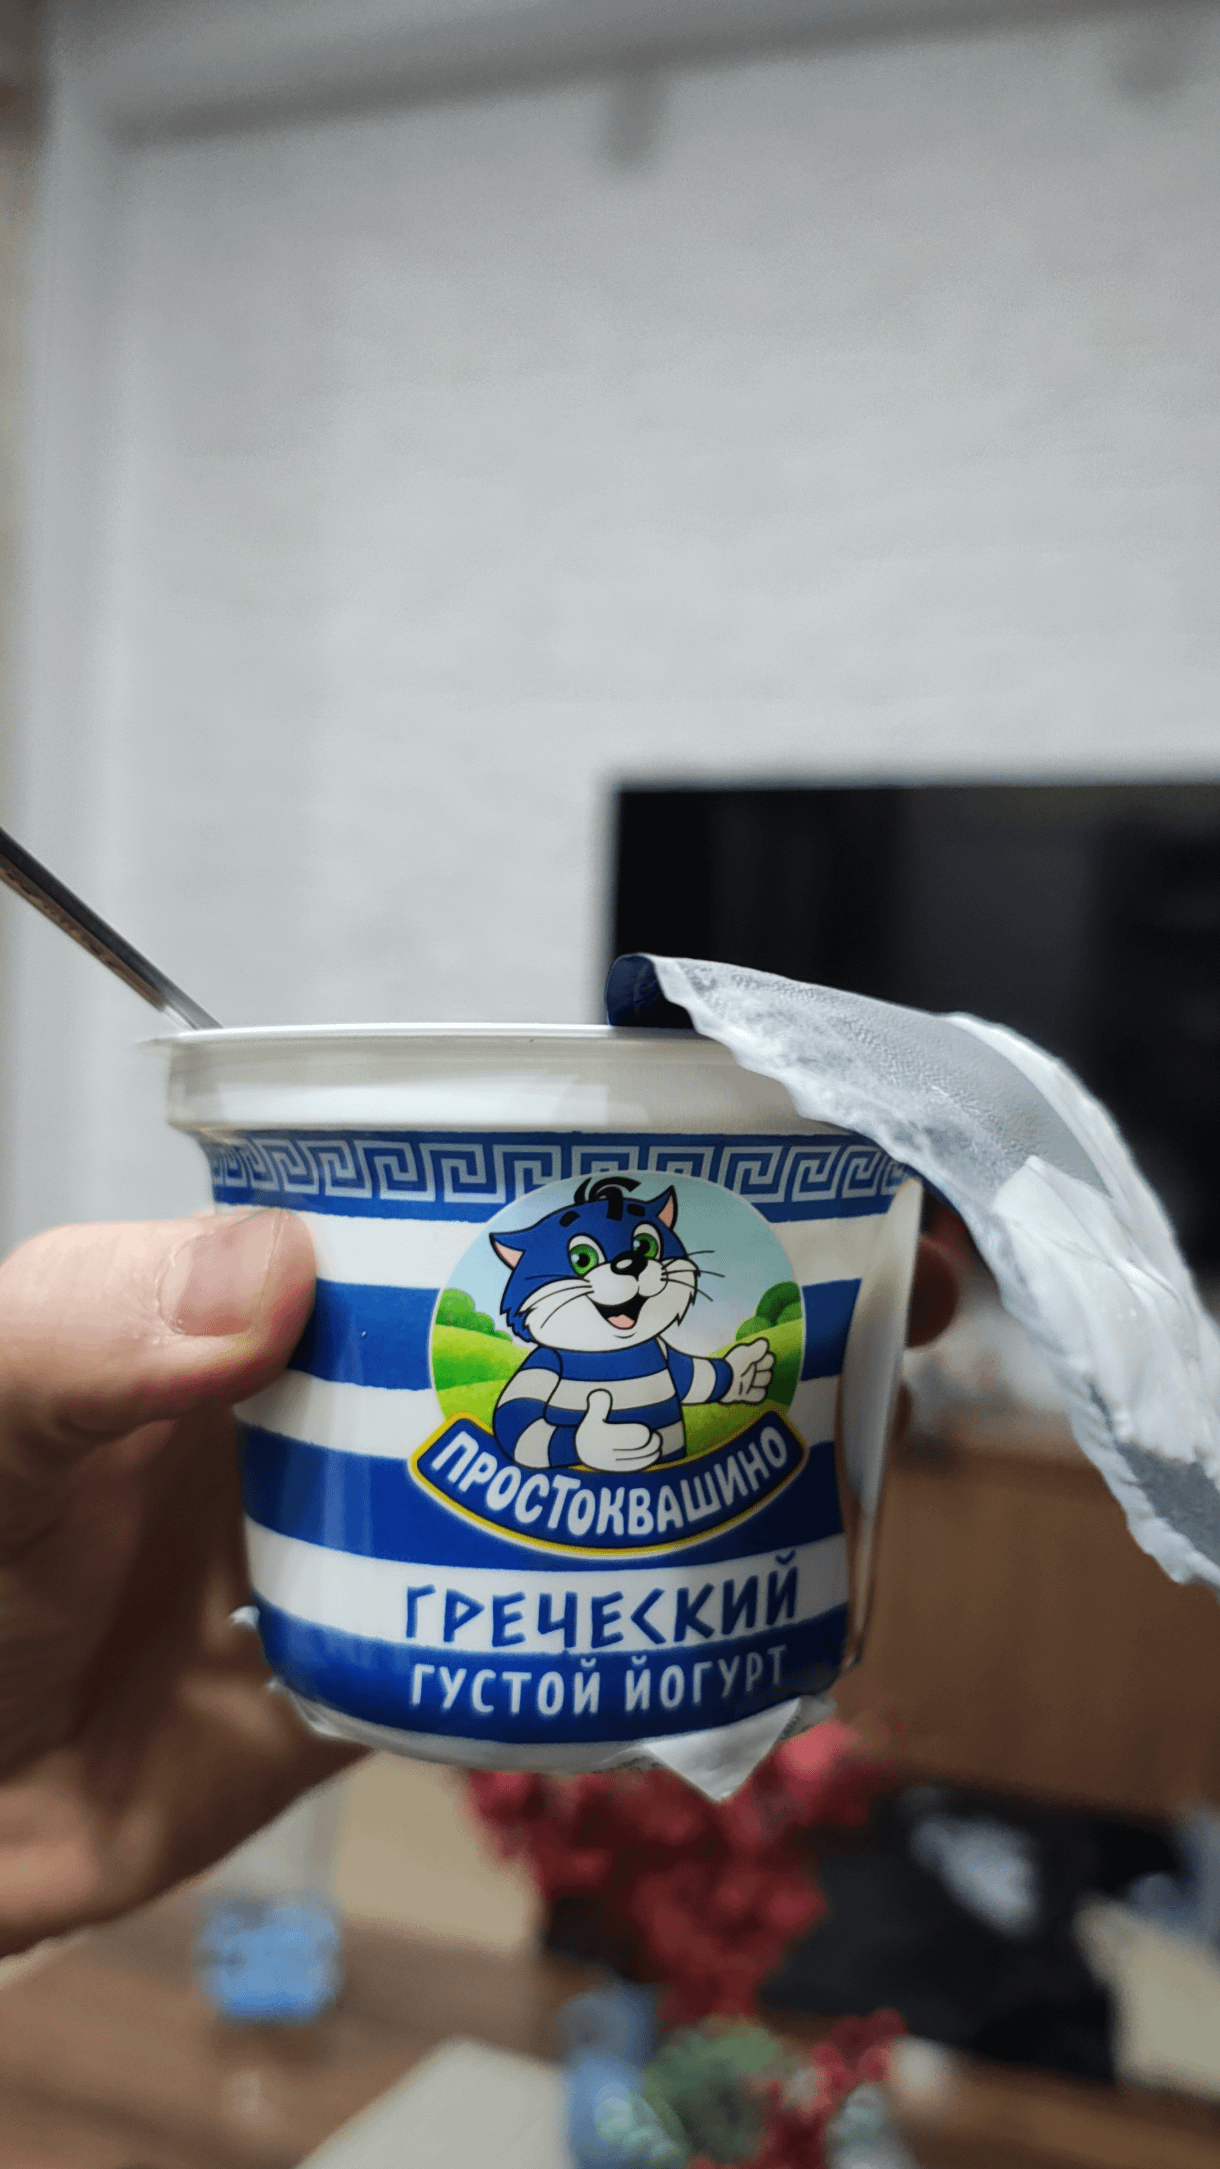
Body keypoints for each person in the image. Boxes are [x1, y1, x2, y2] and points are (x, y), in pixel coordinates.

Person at [0, 1207, 959, 1958]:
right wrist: (579, 1440)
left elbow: (703, 1382)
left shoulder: (663, 1352)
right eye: (585, 1262)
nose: (627, 1274)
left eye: (642, 1253)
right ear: (526, 1285)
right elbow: (519, 1429)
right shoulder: (546, 1368)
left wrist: (741, 1377)